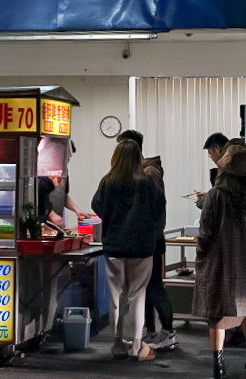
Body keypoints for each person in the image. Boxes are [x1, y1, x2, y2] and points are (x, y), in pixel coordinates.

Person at [193, 140, 246, 377]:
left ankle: (218, 366)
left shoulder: (216, 195)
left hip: (221, 262)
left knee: (217, 315)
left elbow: (205, 232)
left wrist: (201, 259)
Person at [91, 138, 165, 362]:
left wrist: (114, 220)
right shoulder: (147, 182)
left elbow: (97, 205)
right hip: (142, 247)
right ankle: (135, 345)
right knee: (137, 296)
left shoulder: (108, 181)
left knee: (117, 297)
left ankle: (116, 344)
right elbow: (159, 207)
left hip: (115, 245)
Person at [116, 129, 178, 351]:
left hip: (150, 240)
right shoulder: (139, 172)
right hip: (141, 240)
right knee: (144, 287)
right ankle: (150, 331)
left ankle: (169, 332)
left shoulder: (150, 173)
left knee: (154, 286)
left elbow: (152, 208)